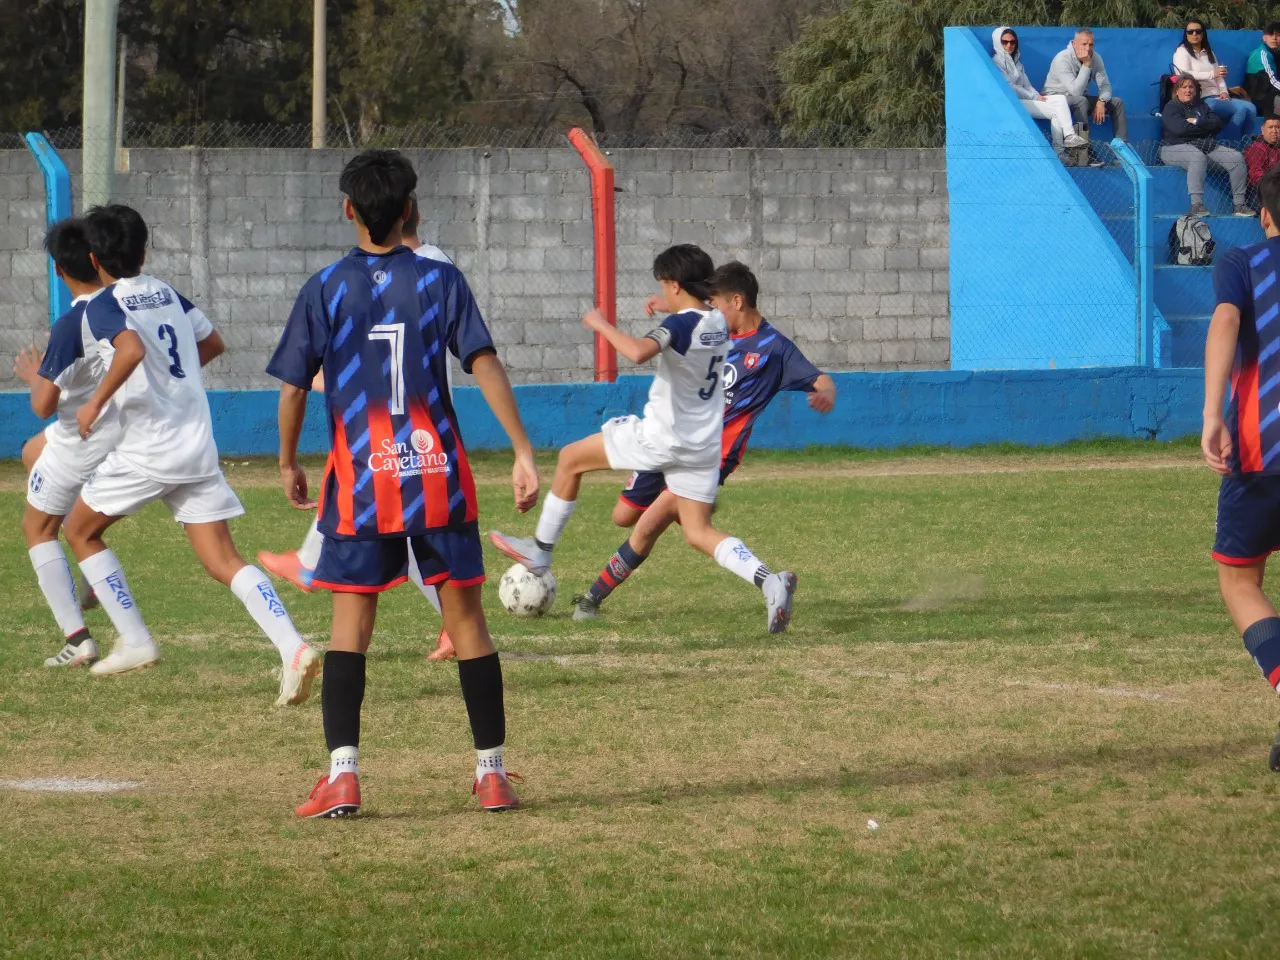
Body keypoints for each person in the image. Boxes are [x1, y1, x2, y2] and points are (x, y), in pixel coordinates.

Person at [268, 149, 541, 818]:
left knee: (350, 625)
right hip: (436, 474)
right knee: (467, 621)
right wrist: (522, 449)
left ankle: (343, 776)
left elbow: (294, 388)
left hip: (363, 481)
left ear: (348, 210)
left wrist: (287, 461)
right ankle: (492, 774)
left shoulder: (325, 287)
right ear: (412, 209)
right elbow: (483, 362)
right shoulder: (440, 281)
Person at [57, 204, 321, 707]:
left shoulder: (103, 305)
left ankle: (135, 639)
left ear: (93, 259)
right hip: (195, 444)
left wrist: (95, 401)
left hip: (148, 450)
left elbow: (132, 351)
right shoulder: (165, 291)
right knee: (224, 560)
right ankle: (294, 648)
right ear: (144, 251)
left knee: (79, 531)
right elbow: (212, 342)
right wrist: (170, 382)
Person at [490, 245, 799, 635]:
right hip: (701, 447)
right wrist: (670, 304)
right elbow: (696, 313)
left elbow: (638, 352)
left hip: (661, 438)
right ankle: (770, 581)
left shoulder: (681, 325)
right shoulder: (718, 321)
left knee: (569, 458)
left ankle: (541, 551)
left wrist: (600, 324)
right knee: (698, 532)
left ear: (674, 284)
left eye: (664, 285)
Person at [572, 261, 836, 621]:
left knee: (667, 526)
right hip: (673, 439)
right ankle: (593, 599)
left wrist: (825, 393)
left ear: (737, 301)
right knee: (625, 516)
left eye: (716, 304)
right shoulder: (714, 332)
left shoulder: (775, 349)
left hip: (712, 454)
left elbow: (821, 380)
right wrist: (670, 305)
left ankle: (591, 600)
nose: (710, 310)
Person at [258, 194, 458, 664]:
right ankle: (311, 560)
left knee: (392, 518)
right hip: (409, 418)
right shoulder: (430, 269)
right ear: (410, 209)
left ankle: (314, 566)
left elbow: (384, 351)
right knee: (397, 517)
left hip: (402, 419)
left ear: (351, 211)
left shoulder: (416, 270)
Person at [1200, 163, 1280, 770]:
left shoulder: (1242, 262)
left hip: (1261, 451)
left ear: (1265, 215)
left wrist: (1212, 413)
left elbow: (1227, 319)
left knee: (1240, 581)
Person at [12, 219, 114, 668]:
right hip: (120, 426)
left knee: (36, 529)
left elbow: (43, 404)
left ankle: (78, 638)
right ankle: (89, 558)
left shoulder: (72, 322)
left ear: (58, 269)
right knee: (32, 452)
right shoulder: (122, 303)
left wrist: (35, 377)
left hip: (84, 436)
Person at [990, 27, 1087, 161]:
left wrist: (1037, 96)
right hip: (1013, 102)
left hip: (1025, 99)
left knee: (1060, 99)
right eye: (1005, 42)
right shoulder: (997, 61)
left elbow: (1026, 84)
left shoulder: (1017, 62)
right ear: (998, 42)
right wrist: (1034, 97)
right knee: (1055, 112)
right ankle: (1059, 153)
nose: (1009, 45)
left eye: (1012, 42)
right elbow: (1009, 87)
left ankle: (1070, 136)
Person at [1160, 76, 1251, 217]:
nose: (1188, 90)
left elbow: (1217, 124)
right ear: (1177, 91)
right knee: (1197, 157)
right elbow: (1181, 130)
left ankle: (1239, 205)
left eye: (1191, 87)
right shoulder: (1172, 107)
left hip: (1203, 146)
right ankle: (1196, 205)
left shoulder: (1201, 106)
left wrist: (1198, 122)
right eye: (1184, 87)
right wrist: (1206, 128)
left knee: (1236, 158)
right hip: (1173, 147)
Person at [1173, 19, 1258, 146]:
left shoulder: (1209, 52)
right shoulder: (1182, 51)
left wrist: (1224, 91)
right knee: (1241, 110)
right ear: (1186, 34)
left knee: (1251, 108)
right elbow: (1184, 74)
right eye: (1190, 32)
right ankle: (1233, 147)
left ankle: (1244, 145)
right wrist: (1211, 74)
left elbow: (1219, 76)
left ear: (1203, 34)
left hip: (1217, 96)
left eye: (1198, 31)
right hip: (1201, 98)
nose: (1194, 34)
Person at [1042, 28, 1128, 153]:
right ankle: (1086, 150)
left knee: (1117, 102)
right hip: (1057, 98)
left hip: (1080, 98)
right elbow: (1075, 92)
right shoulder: (1062, 59)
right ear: (1074, 44)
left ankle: (1122, 151)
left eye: (1091, 44)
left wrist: (1102, 101)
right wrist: (1086, 64)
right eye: (1084, 44)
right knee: (1081, 100)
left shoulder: (1096, 57)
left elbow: (1105, 85)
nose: (1088, 48)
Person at [1245, 24, 1280, 119]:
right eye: (1271, 34)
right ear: (1264, 38)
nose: (1274, 38)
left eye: (1278, 35)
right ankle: (1274, 122)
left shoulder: (1276, 53)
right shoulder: (1261, 54)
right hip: (1259, 96)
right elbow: (1271, 81)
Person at [1246, 115, 1280, 192]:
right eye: (1270, 127)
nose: (1274, 131)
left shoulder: (1278, 146)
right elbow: (1255, 173)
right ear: (1262, 129)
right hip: (1261, 190)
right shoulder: (1257, 148)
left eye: (1277, 127)